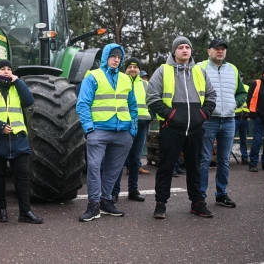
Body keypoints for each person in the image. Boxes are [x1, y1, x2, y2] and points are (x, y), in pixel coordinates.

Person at [146, 36, 217, 219]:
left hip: (195, 129)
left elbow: (211, 95)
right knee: (166, 168)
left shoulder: (200, 72)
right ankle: (160, 204)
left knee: (195, 168)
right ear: (174, 51)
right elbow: (152, 97)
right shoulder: (163, 70)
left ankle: (197, 203)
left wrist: (202, 115)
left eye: (187, 47)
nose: (185, 50)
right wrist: (170, 115)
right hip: (171, 129)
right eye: (181, 47)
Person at [0, 59, 43, 224]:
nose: (6, 71)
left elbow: (29, 101)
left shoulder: (16, 86)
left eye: (9, 69)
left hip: (18, 138)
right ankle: (2, 210)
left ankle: (25, 212)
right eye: (3, 69)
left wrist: (18, 81)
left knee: (23, 176)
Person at [76, 43, 138, 222]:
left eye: (119, 57)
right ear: (105, 58)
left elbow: (132, 106)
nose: (116, 59)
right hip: (99, 131)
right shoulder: (93, 76)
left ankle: (106, 201)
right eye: (113, 56)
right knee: (94, 168)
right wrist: (89, 129)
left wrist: (132, 128)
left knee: (114, 169)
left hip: (123, 132)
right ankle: (93, 205)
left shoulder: (126, 79)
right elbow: (82, 104)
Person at [198, 39, 246, 209]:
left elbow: (241, 93)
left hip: (229, 120)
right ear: (208, 51)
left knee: (224, 160)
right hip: (208, 121)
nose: (220, 51)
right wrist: (202, 111)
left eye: (223, 49)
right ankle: (200, 196)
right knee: (204, 159)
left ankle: (221, 194)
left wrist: (235, 103)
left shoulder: (232, 69)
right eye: (217, 49)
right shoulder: (199, 67)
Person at [111, 57, 151, 203]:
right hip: (125, 125)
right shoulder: (119, 82)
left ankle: (133, 190)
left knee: (136, 160)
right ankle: (114, 192)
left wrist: (150, 117)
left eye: (136, 67)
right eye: (129, 67)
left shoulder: (146, 84)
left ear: (139, 70)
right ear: (125, 69)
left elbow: (153, 102)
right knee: (119, 160)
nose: (133, 70)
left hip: (141, 125)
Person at [246, 66, 264, 172]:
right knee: (257, 141)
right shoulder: (256, 83)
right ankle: (253, 163)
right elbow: (249, 98)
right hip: (258, 117)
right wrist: (253, 113)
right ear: (263, 73)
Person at [234, 72, 251, 165]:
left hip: (245, 118)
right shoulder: (232, 87)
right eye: (238, 76)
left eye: (241, 76)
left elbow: (251, 101)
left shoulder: (247, 87)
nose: (240, 78)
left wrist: (250, 115)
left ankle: (245, 158)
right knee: (229, 139)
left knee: (244, 139)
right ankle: (225, 159)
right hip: (234, 117)